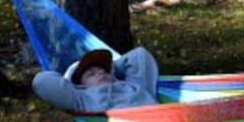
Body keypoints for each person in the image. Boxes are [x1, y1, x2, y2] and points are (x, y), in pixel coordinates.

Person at [32, 47, 160, 112]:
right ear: (80, 85)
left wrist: (114, 68)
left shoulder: (134, 86)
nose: (100, 72)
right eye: (91, 74)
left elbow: (139, 55)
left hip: (160, 121)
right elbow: (41, 81)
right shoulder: (82, 99)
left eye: (103, 70)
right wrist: (70, 86)